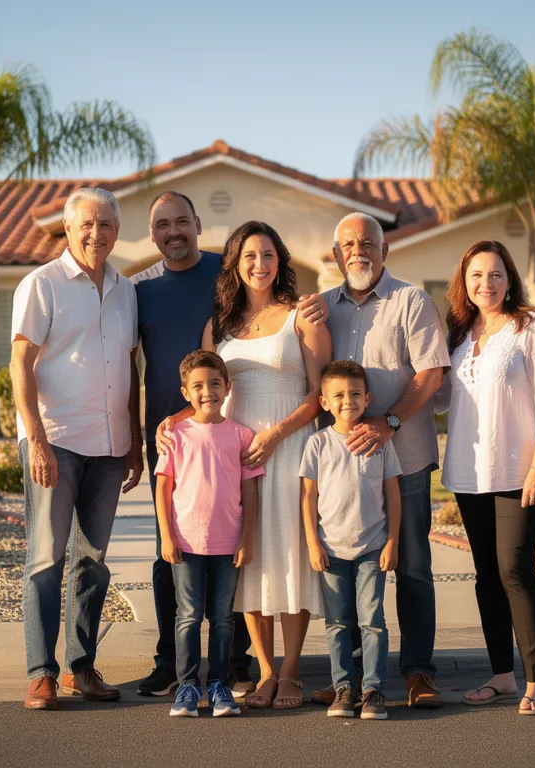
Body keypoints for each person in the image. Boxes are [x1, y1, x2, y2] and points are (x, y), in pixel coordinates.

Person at [131, 192, 329, 698]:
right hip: (234, 454)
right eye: (249, 257)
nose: (259, 265)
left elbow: (320, 395)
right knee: (252, 562)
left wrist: (277, 434)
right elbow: (206, 388)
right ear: (235, 267)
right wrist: (169, 421)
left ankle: (289, 673)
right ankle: (262, 672)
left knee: (288, 557)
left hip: (286, 446)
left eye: (267, 255)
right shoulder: (220, 325)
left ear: (279, 260)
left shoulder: (301, 315)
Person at [11, 187, 140, 710]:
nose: (96, 233)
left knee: (93, 561)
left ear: (116, 230)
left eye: (106, 224)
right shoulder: (41, 284)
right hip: (57, 441)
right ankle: (41, 672)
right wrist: (35, 439)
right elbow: (20, 362)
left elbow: (130, 365)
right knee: (46, 559)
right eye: (86, 224)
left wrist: (131, 441)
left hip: (110, 445)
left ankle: (80, 668)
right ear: (67, 229)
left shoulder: (126, 289)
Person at [317, 212, 450, 708]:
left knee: (412, 565)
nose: (358, 250)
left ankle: (417, 671)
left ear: (384, 250)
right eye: (348, 244)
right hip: (343, 472)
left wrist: (388, 422)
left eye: (368, 243)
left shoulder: (410, 301)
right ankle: (348, 675)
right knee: (348, 570)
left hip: (405, 458)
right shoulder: (322, 309)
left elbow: (432, 372)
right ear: (335, 254)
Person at [437, 240, 535, 716]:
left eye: (494, 274)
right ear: (464, 282)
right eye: (475, 275)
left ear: (509, 279)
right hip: (471, 473)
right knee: (487, 577)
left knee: (516, 571)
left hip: (520, 470)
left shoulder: (530, 327)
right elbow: (443, 398)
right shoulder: (459, 333)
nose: (484, 284)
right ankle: (502, 676)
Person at [155, 350, 263, 718]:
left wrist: (247, 538)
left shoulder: (242, 435)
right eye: (198, 386)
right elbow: (162, 490)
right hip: (185, 543)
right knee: (187, 616)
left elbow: (250, 492)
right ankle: (187, 686)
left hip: (228, 543)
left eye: (215, 384)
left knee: (221, 617)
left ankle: (218, 684)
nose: (207, 392)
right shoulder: (175, 435)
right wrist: (167, 537)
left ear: (227, 387)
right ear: (186, 392)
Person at [302, 360, 402, 721]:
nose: (349, 400)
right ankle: (344, 688)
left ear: (368, 398)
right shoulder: (317, 444)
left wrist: (392, 542)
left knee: (372, 620)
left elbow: (393, 495)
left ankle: (373, 690)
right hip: (330, 549)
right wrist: (313, 543)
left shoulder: (380, 443)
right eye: (339, 395)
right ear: (325, 401)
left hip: (373, 547)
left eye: (356, 393)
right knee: (338, 622)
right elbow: (308, 498)